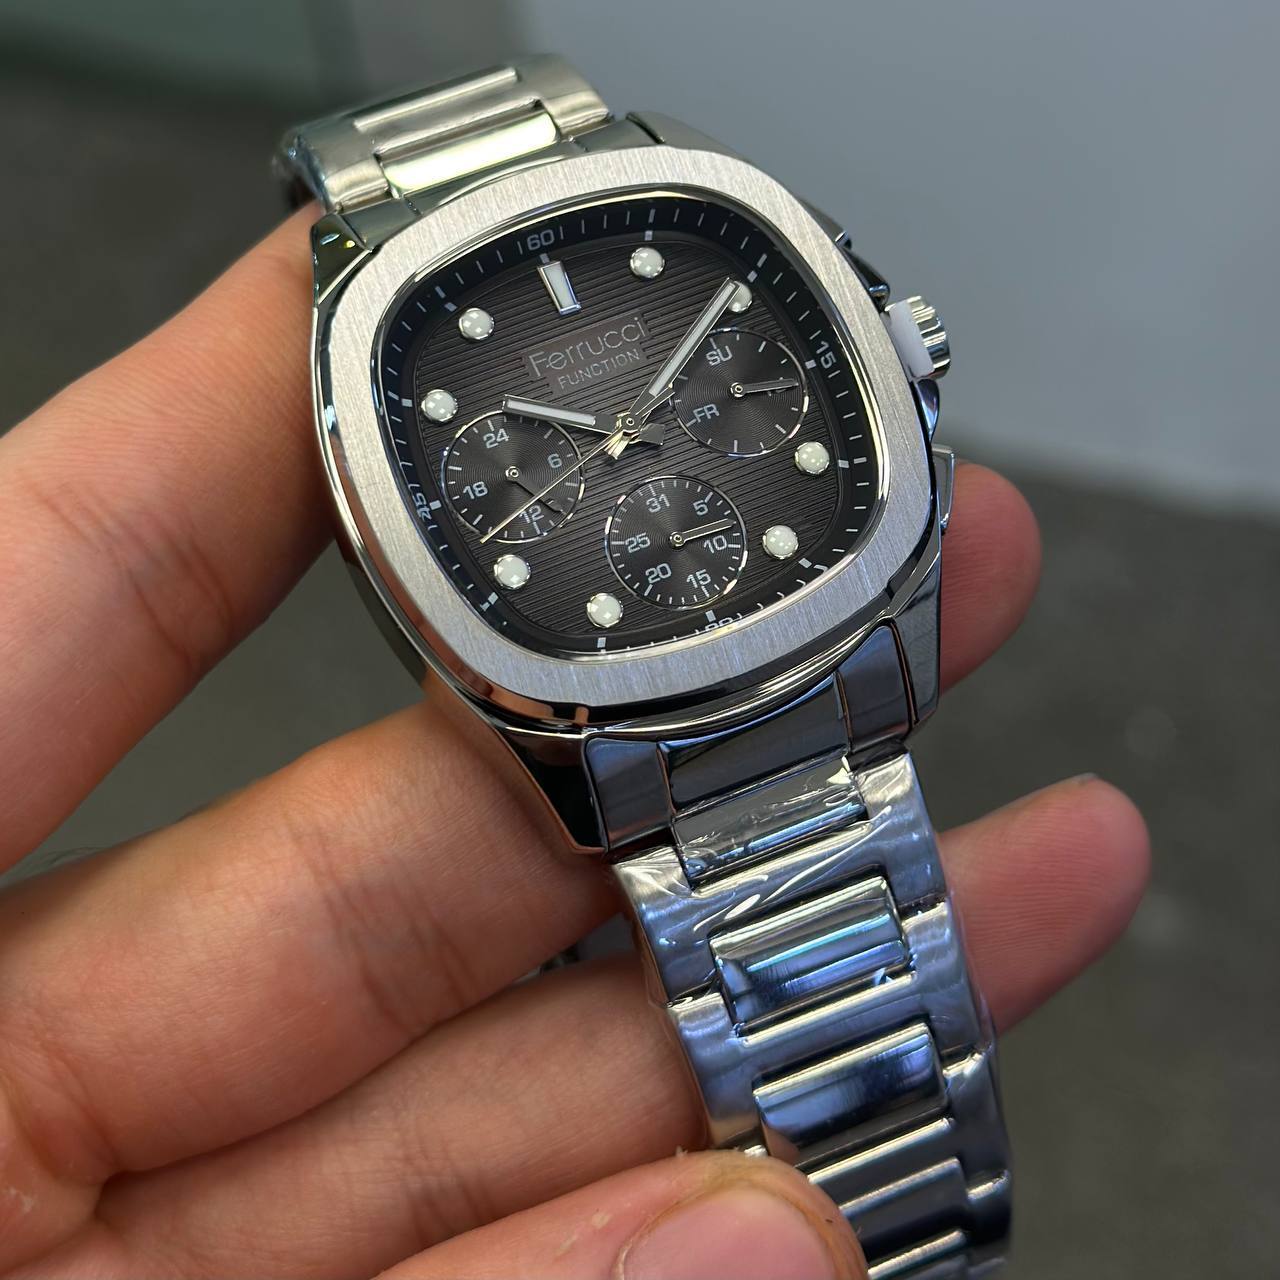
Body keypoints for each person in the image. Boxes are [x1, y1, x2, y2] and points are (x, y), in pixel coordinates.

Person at [0, 212, 1150, 1280]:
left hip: (830, 643)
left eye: (636, 422)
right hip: (623, 730)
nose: (624, 438)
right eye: (602, 438)